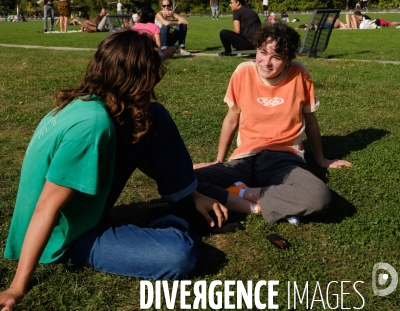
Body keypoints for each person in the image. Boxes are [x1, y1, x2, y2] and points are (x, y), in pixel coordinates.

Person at [0, 31, 227, 310]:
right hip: (65, 237)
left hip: (77, 211)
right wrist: (17, 288)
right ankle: (172, 219)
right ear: (138, 79)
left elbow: (143, 147)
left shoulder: (87, 103)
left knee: (155, 117)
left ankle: (183, 197)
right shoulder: (92, 126)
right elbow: (46, 207)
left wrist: (191, 192)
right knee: (179, 255)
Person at [195, 23, 352, 226]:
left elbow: (311, 122)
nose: (266, 62)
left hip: (284, 161)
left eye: (276, 57)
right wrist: (218, 160)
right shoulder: (243, 72)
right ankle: (253, 206)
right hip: (244, 159)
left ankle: (242, 192)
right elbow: (232, 118)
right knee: (183, 182)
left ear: (288, 59)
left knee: (318, 196)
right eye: (262, 52)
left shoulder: (299, 74)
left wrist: (321, 160)